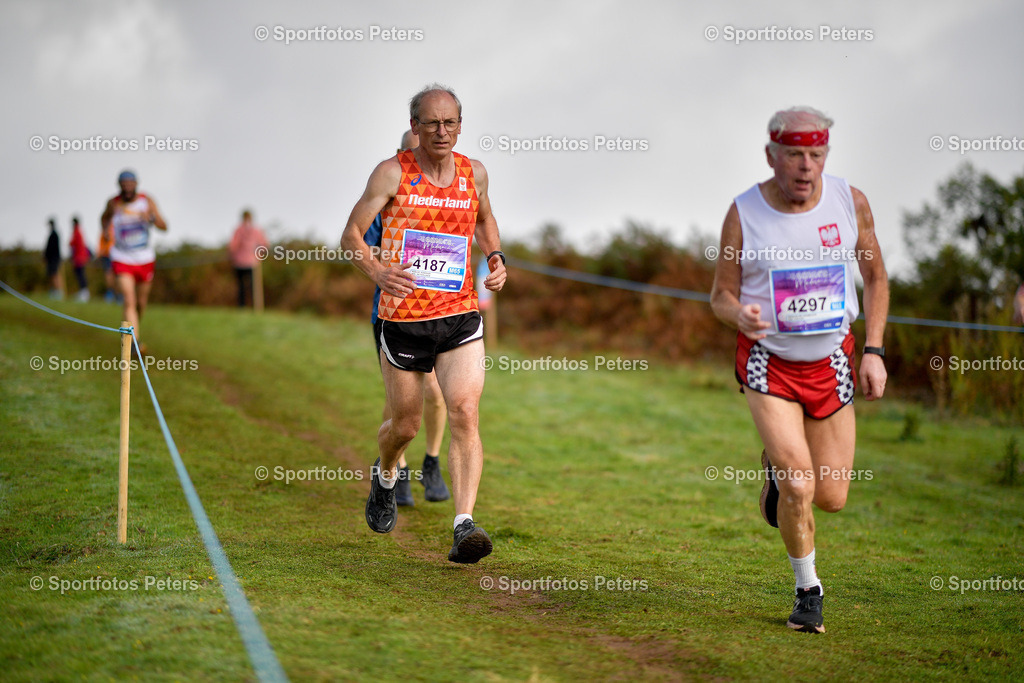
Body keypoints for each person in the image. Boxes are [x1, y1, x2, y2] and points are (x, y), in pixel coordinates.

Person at [710, 106, 889, 633]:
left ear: (826, 155)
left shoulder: (850, 202)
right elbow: (719, 293)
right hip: (769, 363)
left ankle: (775, 465)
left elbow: (876, 278)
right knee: (800, 485)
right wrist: (737, 312)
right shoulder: (744, 212)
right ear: (772, 155)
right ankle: (807, 590)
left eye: (816, 154)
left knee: (831, 497)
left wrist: (874, 351)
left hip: (831, 360)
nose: (805, 166)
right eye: (794, 154)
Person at [341, 84, 507, 563]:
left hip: (459, 315)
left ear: (460, 125)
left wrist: (495, 256)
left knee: (464, 412)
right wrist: (376, 270)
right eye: (431, 123)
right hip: (404, 318)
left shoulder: (474, 173)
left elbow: (485, 219)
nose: (441, 131)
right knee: (406, 425)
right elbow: (351, 234)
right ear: (414, 126)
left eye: (450, 122)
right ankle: (386, 476)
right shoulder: (392, 172)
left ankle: (464, 525)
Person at [365, 129, 451, 508]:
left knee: (435, 393)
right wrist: (386, 266)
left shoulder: (446, 195)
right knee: (402, 399)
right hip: (394, 312)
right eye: (411, 153)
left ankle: (431, 462)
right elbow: (363, 247)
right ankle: (395, 468)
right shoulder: (386, 194)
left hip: (440, 312)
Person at [101, 170, 167, 354]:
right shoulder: (113, 203)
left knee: (141, 303)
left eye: (131, 184)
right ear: (119, 186)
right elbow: (104, 218)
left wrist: (151, 218)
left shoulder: (147, 201)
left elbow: (164, 225)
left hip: (145, 259)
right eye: (124, 185)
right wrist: (106, 231)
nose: (127, 188)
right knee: (129, 300)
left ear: (136, 184)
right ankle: (134, 344)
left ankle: (132, 330)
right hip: (122, 258)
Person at [228, 209, 268, 308]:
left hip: (247, 263)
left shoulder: (241, 230)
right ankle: (248, 307)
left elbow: (232, 246)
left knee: (247, 287)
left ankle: (247, 307)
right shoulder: (254, 230)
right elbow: (264, 245)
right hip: (248, 263)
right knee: (247, 287)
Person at [68, 216, 92, 302]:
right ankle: (83, 292)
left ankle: (84, 293)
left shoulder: (77, 231)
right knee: (80, 275)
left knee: (81, 275)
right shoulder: (78, 231)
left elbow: (73, 244)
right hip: (80, 257)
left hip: (79, 258)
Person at [97, 216, 118, 303]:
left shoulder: (112, 228)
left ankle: (115, 295)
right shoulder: (105, 229)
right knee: (109, 275)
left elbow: (111, 239)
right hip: (106, 255)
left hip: (112, 254)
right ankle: (111, 294)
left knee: (112, 275)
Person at [44, 218, 63, 299]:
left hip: (54, 258)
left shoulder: (54, 234)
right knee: (52, 274)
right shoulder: (53, 234)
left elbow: (52, 248)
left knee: (54, 274)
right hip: (52, 259)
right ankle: (54, 291)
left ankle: (58, 292)